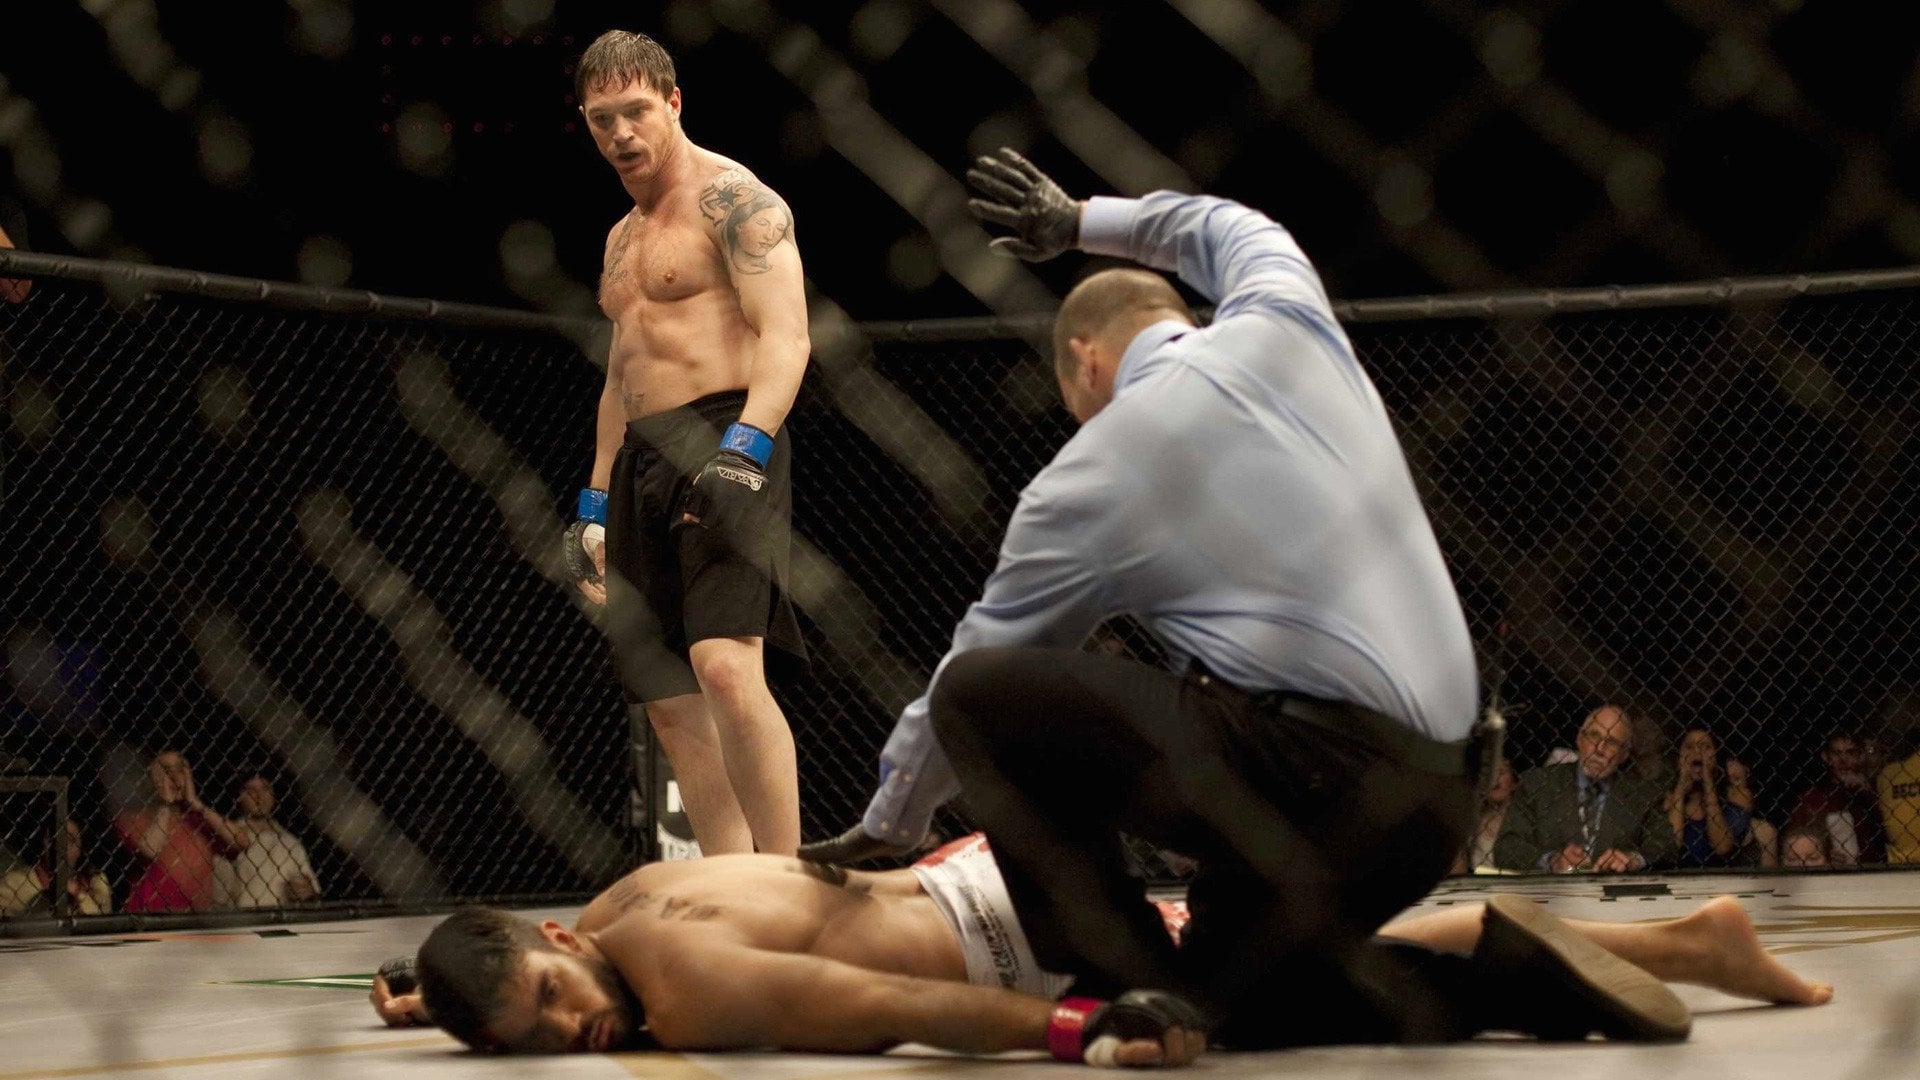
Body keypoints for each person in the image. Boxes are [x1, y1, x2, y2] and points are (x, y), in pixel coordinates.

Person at [804, 147, 1595, 1048]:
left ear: (1085, 362)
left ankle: (1125, 979)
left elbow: (977, 666)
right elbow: (1220, 223)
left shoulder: (1093, 472)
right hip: (1442, 795)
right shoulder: (1288, 316)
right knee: (1238, 1001)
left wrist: (894, 816)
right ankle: (1515, 986)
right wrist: (1079, 222)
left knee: (980, 692)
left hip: (1314, 781)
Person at [368, 834, 1834, 1057]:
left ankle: (1676, 949)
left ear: (556, 942)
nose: (571, 1029)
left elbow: (874, 1007)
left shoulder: (679, 989)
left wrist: (1077, 1030)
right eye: (538, 1038)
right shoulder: (620, 902)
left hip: (1011, 949)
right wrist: (436, 1000)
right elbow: (527, 972)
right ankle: (1690, 942)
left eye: (553, 1000)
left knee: (1288, 990)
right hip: (976, 875)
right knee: (1309, 948)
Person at [557, 29, 810, 857]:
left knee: (728, 668)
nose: (621, 133)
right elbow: (620, 376)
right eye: (603, 120)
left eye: (636, 111)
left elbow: (787, 335)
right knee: (667, 698)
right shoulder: (619, 240)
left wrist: (745, 448)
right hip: (640, 458)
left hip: (726, 432)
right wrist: (594, 504)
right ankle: (732, 885)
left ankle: (784, 881)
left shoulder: (737, 201)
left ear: (672, 102)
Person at [1493, 705, 1675, 874]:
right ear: (1579, 738)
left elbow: (1666, 847)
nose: (1599, 749)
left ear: (1624, 754)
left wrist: (1634, 860)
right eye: (1594, 736)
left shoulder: (1643, 794)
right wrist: (1551, 861)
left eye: (1611, 742)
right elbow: (1506, 847)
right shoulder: (1537, 784)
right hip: (1552, 893)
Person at [111, 749, 249, 912]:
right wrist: (166, 804)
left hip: (194, 917)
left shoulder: (198, 820)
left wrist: (196, 803)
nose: (175, 778)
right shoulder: (132, 818)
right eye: (166, 771)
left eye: (180, 770)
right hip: (150, 916)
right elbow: (150, 850)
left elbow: (241, 842)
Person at [214, 772, 321, 908]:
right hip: (244, 918)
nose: (259, 796)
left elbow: (312, 892)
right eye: (251, 790)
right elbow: (218, 895)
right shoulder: (228, 838)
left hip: (283, 918)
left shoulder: (290, 842)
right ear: (239, 797)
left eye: (265, 788)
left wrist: (306, 892)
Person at [1784, 730, 1886, 866]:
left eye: (1850, 753)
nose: (1843, 760)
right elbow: (1795, 842)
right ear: (1826, 757)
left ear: (1860, 756)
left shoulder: (1875, 791)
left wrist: (1866, 793)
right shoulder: (1812, 799)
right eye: (1836, 753)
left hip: (1874, 869)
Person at [1662, 726, 1758, 869]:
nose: (1697, 753)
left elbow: (1722, 847)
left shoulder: (1737, 795)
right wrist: (1681, 787)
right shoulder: (1667, 798)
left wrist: (1708, 784)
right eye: (1689, 747)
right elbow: (1670, 844)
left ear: (1716, 756)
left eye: (1705, 747)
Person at [0, 819, 113, 916]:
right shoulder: (15, 883)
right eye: (53, 840)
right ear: (43, 844)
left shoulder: (96, 882)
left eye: (70, 840)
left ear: (81, 848)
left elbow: (104, 927)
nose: (60, 847)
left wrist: (78, 894)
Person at [1452, 757, 1516, 875]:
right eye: (1490, 773)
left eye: (1501, 772)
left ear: (1514, 783)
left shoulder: (1526, 820)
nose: (1495, 778)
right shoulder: (1471, 820)